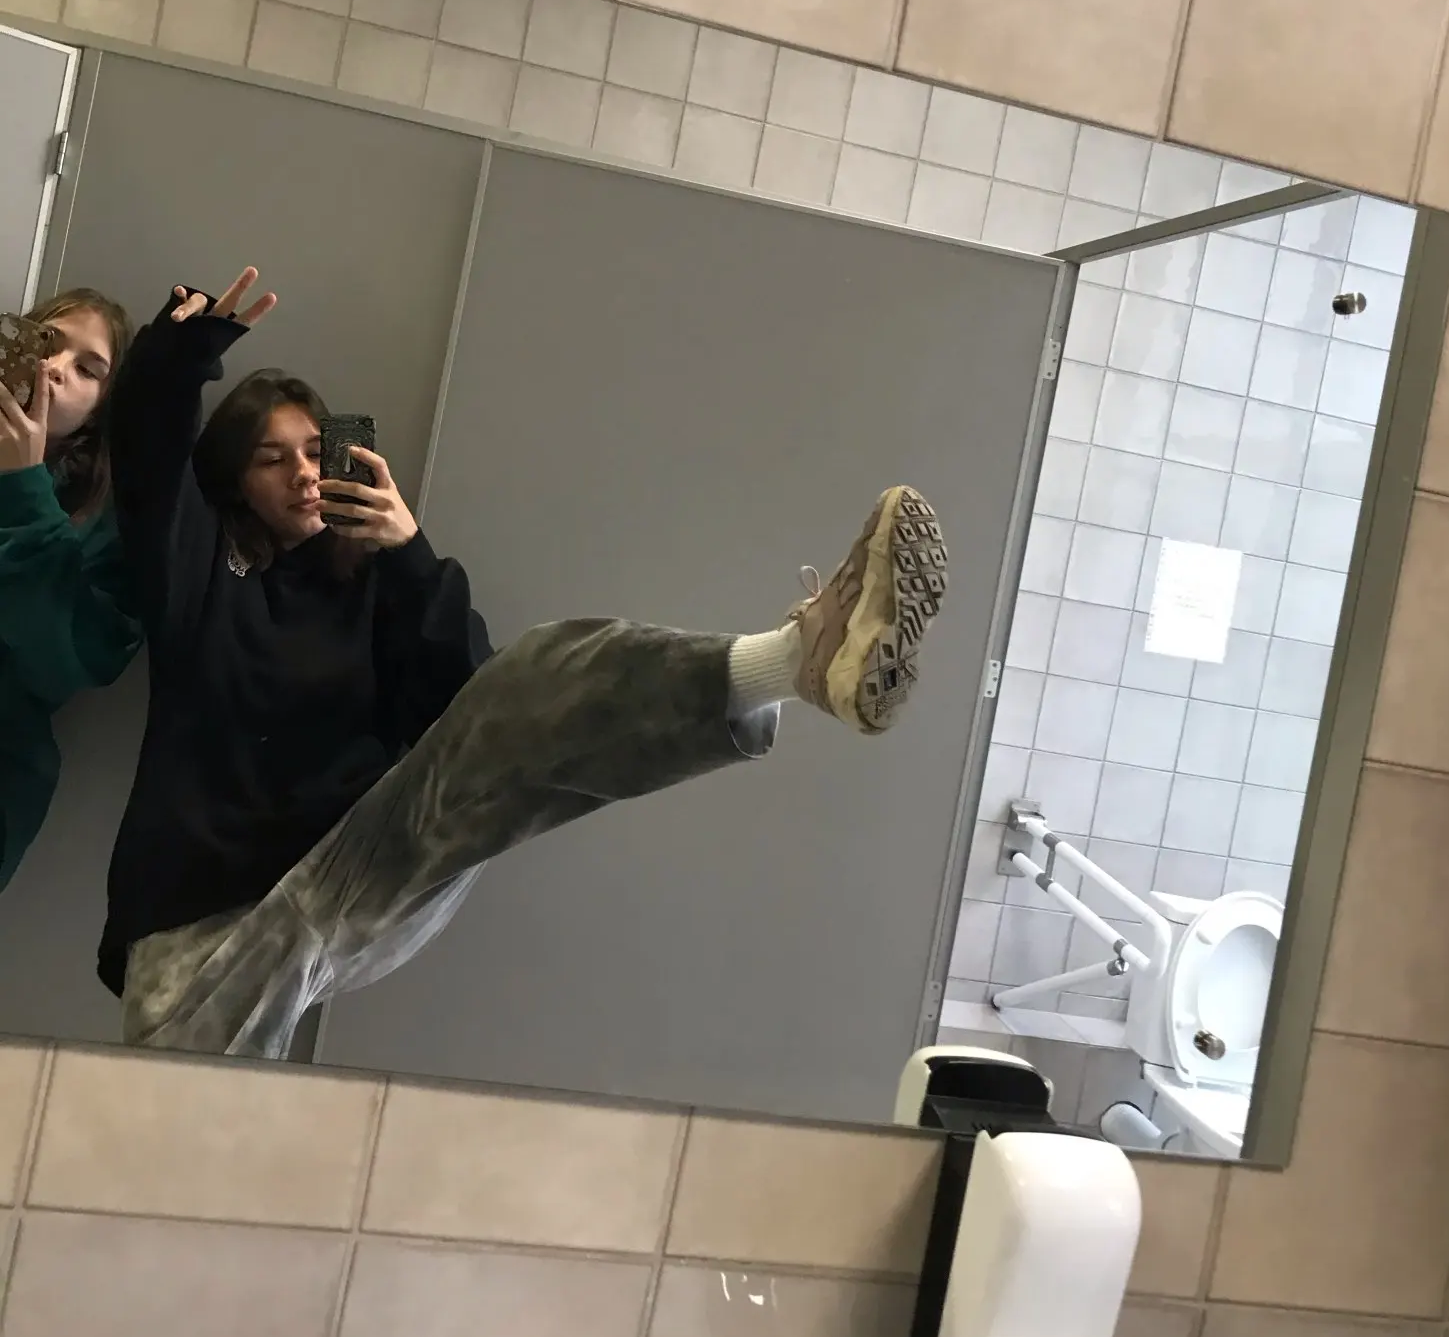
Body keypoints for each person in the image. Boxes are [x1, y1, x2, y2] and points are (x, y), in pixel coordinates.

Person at [103, 268, 950, 1058]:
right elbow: (148, 466)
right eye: (270, 457)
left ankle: (797, 662)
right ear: (235, 483)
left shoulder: (372, 587)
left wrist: (408, 552)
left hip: (363, 862)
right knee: (185, 1139)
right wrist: (179, 352)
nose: (301, 473)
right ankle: (800, 660)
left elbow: (478, 703)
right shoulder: (204, 576)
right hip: (202, 927)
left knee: (534, 670)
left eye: (313, 450)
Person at [0, 287, 140, 894]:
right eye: (48, 342)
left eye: (88, 369)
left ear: (102, 409)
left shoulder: (106, 522)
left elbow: (64, 663)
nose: (55, 368)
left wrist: (22, 484)